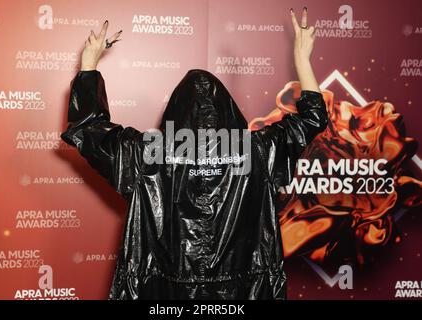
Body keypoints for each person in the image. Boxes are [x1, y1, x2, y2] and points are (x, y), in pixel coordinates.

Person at [60, 7, 328, 299]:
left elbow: (88, 128)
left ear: (175, 110)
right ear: (228, 109)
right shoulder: (258, 150)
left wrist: (88, 64)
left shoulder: (147, 155)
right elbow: (311, 119)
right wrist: (303, 59)